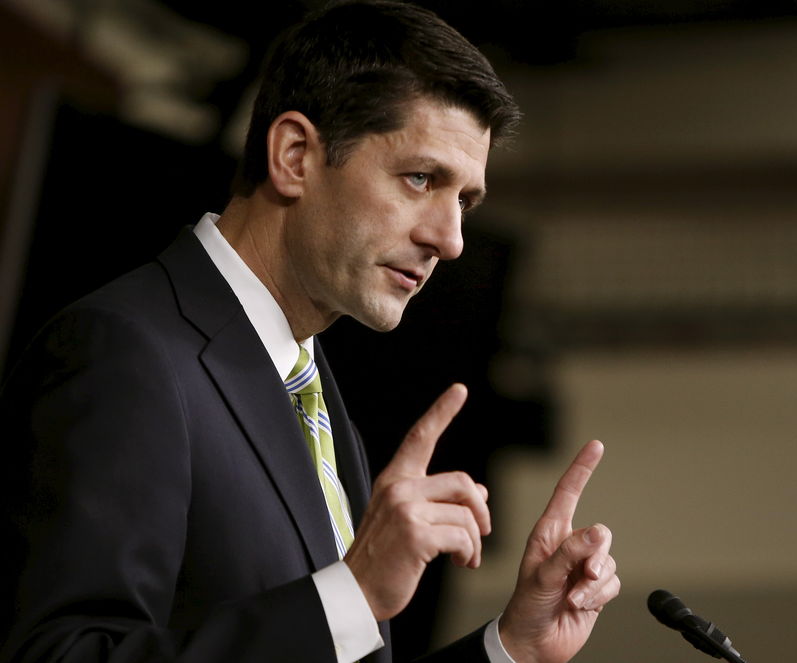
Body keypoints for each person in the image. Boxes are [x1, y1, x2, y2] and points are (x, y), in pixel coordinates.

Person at [0, 1, 620, 661]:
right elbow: (59, 654)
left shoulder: (314, 394)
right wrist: (349, 596)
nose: (451, 239)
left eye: (464, 201)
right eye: (420, 178)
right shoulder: (124, 351)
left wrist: (510, 647)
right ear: (294, 156)